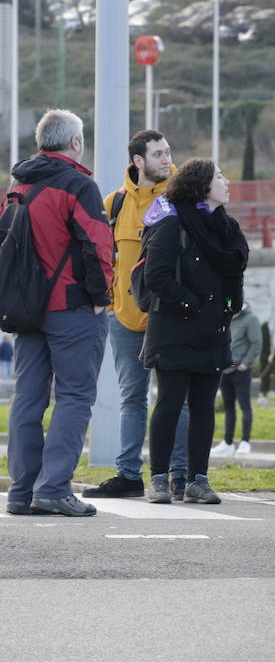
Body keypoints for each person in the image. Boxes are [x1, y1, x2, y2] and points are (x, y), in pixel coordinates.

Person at [3, 110, 113, 518]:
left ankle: (21, 491)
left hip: (25, 310)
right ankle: (54, 488)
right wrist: (102, 297)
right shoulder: (78, 184)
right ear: (76, 143)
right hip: (71, 308)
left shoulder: (18, 185)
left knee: (27, 398)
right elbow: (98, 244)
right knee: (74, 396)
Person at [84, 130, 192, 500]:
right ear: (138, 161)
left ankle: (180, 474)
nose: (166, 159)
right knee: (133, 398)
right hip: (125, 318)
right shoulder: (114, 203)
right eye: (158, 154)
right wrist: (110, 303)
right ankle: (128, 474)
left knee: (176, 398)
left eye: (168, 152)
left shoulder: (182, 199)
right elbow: (104, 257)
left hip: (171, 317)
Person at [140, 159, 249, 506]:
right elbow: (156, 275)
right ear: (202, 185)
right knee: (170, 403)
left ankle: (196, 480)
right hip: (174, 328)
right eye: (219, 177)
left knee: (204, 406)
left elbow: (234, 274)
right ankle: (158, 479)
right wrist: (189, 303)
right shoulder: (173, 223)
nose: (227, 181)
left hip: (213, 329)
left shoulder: (226, 228)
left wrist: (232, 304)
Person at [211, 301, 263, 458]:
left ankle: (245, 442)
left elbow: (256, 344)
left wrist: (245, 364)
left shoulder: (250, 320)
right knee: (228, 408)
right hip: (225, 369)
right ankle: (228, 443)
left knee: (245, 407)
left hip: (241, 370)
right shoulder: (227, 317)